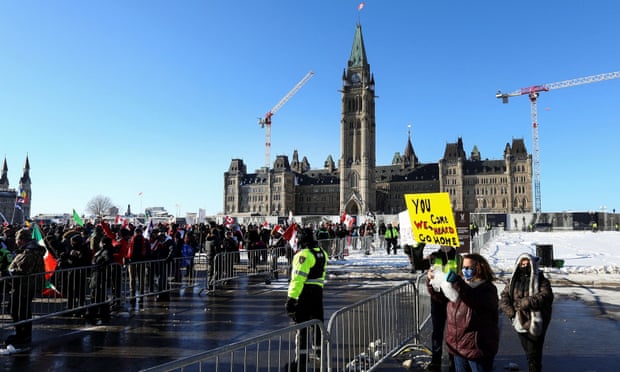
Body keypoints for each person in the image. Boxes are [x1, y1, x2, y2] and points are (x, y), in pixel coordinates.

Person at [442, 253, 499, 372]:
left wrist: (459, 284)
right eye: (463, 267)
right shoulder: (460, 285)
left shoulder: (487, 289)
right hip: (458, 346)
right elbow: (439, 298)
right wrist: (432, 282)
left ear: (479, 268)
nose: (464, 270)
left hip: (476, 347)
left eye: (468, 268)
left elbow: (475, 301)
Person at [499, 253, 553, 372]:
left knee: (534, 353)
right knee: (528, 351)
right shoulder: (513, 280)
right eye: (522, 264)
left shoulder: (541, 280)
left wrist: (525, 302)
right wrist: (510, 312)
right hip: (519, 320)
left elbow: (546, 296)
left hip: (536, 322)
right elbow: (504, 296)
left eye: (527, 264)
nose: (524, 266)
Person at [285, 227, 328, 369]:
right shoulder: (322, 254)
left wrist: (291, 299)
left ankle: (300, 363)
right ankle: (319, 359)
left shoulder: (303, 255)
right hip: (318, 295)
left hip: (304, 295)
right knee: (317, 327)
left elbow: (297, 279)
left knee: (301, 329)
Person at [2, 228, 45, 352]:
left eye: (17, 240)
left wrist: (8, 272)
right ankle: (22, 334)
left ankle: (23, 335)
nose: (16, 242)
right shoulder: (31, 250)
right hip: (24, 285)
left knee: (19, 310)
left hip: (24, 286)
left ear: (21, 240)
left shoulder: (30, 252)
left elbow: (23, 269)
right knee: (20, 310)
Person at [425, 245, 462, 371]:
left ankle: (453, 359)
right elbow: (419, 265)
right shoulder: (434, 256)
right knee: (437, 331)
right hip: (437, 300)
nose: (444, 245)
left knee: (454, 332)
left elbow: (463, 277)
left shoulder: (459, 258)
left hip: (453, 300)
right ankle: (436, 359)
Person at [86, 236, 114, 325]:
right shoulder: (104, 250)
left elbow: (108, 260)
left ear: (103, 243)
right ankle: (102, 312)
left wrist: (101, 265)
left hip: (100, 275)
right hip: (97, 275)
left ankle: (94, 313)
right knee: (98, 294)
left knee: (97, 295)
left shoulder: (106, 251)